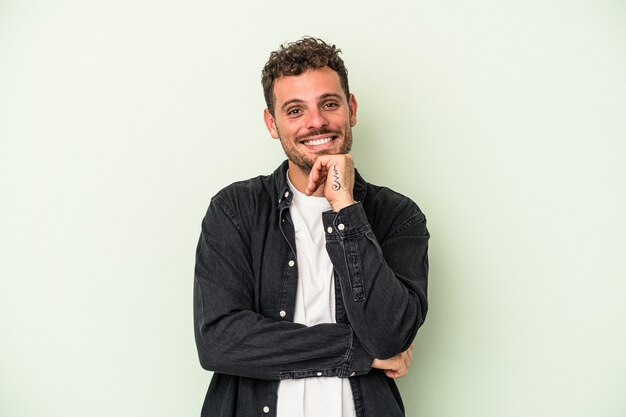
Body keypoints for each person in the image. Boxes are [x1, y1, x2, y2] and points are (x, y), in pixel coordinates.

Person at [194, 37, 429, 417]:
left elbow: (390, 336)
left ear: (351, 109)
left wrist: (345, 207)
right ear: (272, 123)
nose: (316, 121)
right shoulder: (234, 210)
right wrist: (359, 352)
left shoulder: (398, 216)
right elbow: (219, 341)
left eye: (329, 104)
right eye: (295, 110)